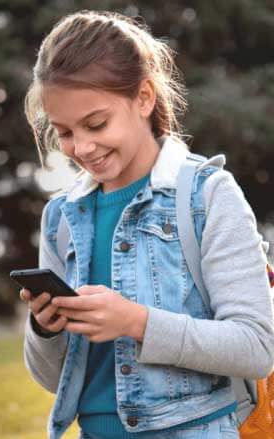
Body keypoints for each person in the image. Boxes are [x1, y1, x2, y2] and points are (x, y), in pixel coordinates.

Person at [19, 10, 274, 439]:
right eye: (63, 132)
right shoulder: (62, 216)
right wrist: (44, 329)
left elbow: (256, 348)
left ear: (144, 98)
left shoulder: (207, 196)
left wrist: (137, 322)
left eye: (96, 124)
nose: (81, 147)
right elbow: (53, 380)